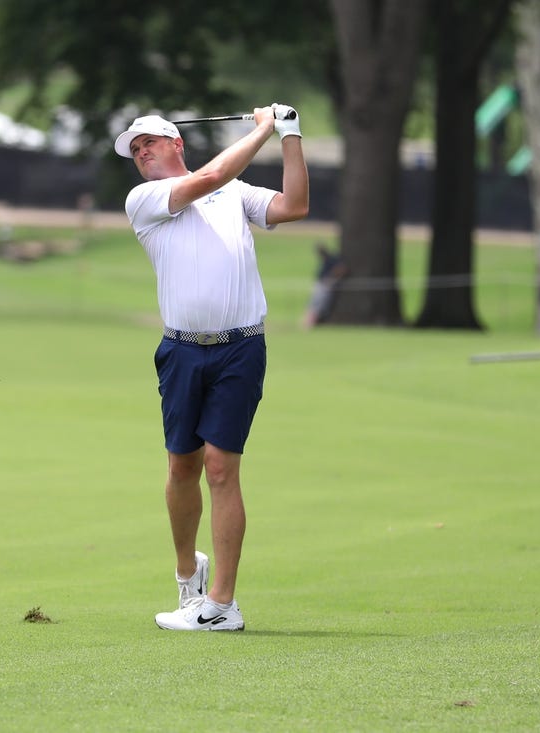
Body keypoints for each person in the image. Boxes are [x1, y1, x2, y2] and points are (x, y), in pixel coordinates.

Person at [114, 104, 309, 631]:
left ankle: (221, 605)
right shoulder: (146, 199)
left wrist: (289, 134)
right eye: (134, 150)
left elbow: (294, 205)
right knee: (183, 467)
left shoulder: (233, 194)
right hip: (181, 350)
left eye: (149, 142)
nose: (141, 153)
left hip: (240, 349)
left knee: (221, 467)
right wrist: (263, 128)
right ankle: (187, 577)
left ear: (176, 142)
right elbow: (212, 175)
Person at [303, 241, 347, 329]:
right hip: (320, 285)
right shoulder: (326, 260)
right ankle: (306, 323)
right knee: (313, 305)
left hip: (325, 286)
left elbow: (342, 268)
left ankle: (308, 324)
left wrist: (331, 278)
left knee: (317, 306)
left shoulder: (332, 259)